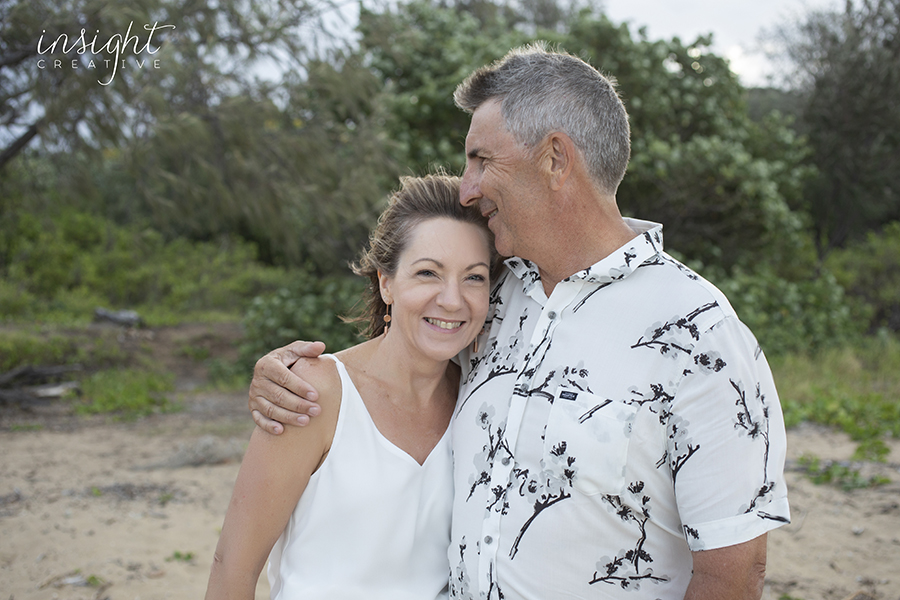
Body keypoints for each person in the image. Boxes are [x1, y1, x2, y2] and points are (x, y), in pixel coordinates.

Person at [248, 43, 791, 600]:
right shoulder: (491, 294)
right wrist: (286, 375)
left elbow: (733, 572)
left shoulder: (699, 334)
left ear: (555, 159)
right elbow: (396, 365)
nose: (466, 187)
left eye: (482, 160)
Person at [205, 174, 496, 600]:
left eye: (474, 277)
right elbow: (233, 567)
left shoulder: (482, 398)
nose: (453, 300)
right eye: (428, 273)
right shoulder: (315, 392)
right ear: (386, 283)